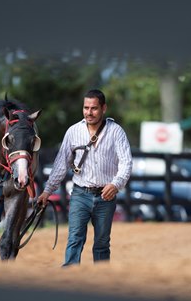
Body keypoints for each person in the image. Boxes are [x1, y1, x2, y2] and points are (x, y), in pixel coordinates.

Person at [37, 89, 132, 266]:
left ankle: (101, 283)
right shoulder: (73, 131)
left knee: (102, 244)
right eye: (86, 107)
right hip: (80, 194)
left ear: (104, 108)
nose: (89, 112)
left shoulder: (116, 132)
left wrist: (116, 184)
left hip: (106, 196)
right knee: (74, 239)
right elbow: (60, 165)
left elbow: (126, 163)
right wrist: (47, 192)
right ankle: (69, 281)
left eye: (94, 108)